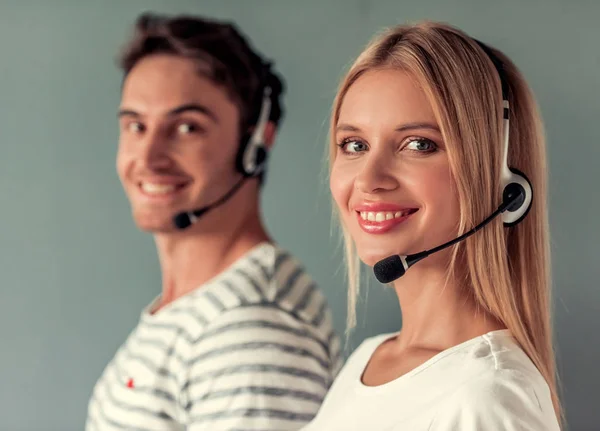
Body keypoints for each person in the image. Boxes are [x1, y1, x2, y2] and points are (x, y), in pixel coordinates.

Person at [86, 12, 341, 431]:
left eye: (187, 127)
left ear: (257, 140)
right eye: (136, 125)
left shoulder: (251, 333)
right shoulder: (200, 309)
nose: (148, 158)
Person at [302, 21, 562, 430]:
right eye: (355, 145)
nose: (369, 179)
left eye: (418, 145)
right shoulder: (368, 362)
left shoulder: (487, 396)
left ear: (502, 183)